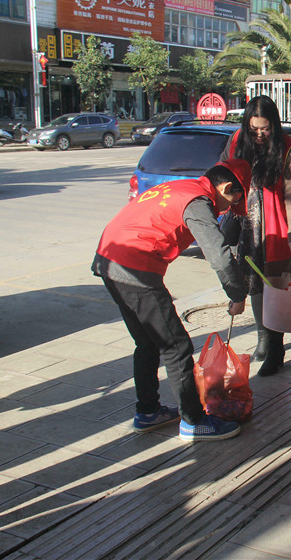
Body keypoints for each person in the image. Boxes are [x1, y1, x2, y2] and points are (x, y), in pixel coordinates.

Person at [92, 164, 251, 442]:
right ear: (226, 189)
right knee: (176, 346)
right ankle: (194, 421)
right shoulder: (199, 201)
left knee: (148, 341)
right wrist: (238, 294)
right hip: (134, 267)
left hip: (108, 260)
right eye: (231, 203)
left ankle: (148, 411)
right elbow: (220, 255)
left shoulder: (182, 187)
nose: (225, 210)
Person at [218, 95, 291, 377]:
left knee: (275, 290)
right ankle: (262, 339)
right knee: (252, 286)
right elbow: (219, 175)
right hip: (245, 227)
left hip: (276, 231)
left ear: (274, 124)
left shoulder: (289, 150)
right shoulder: (235, 141)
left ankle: (275, 350)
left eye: (264, 129)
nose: (258, 135)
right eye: (253, 129)